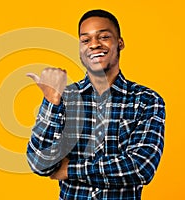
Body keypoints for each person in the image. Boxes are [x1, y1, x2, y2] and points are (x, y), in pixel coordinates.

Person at [26, 9, 165, 200]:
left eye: (104, 36)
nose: (94, 45)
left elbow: (140, 168)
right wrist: (52, 104)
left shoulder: (147, 100)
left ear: (120, 43)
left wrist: (70, 169)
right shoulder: (62, 98)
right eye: (85, 40)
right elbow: (39, 164)